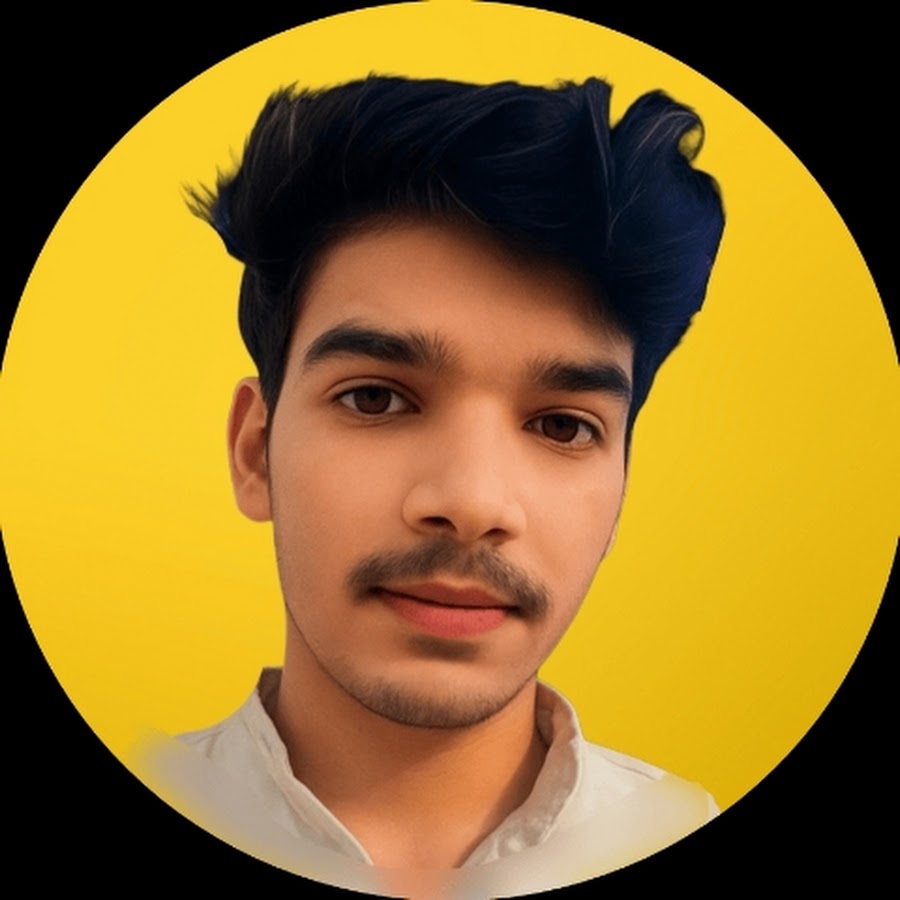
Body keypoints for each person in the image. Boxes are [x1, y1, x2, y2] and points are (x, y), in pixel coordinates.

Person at [149, 74, 725, 894]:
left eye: (563, 426)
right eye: (376, 399)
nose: (472, 503)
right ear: (255, 453)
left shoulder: (678, 828)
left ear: (622, 483)